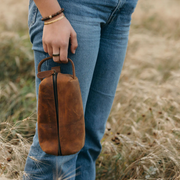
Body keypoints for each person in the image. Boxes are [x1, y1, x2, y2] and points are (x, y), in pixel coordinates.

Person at [23, 0, 139, 179]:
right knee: (58, 148)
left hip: (121, 12)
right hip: (73, 8)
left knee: (88, 142)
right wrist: (52, 15)